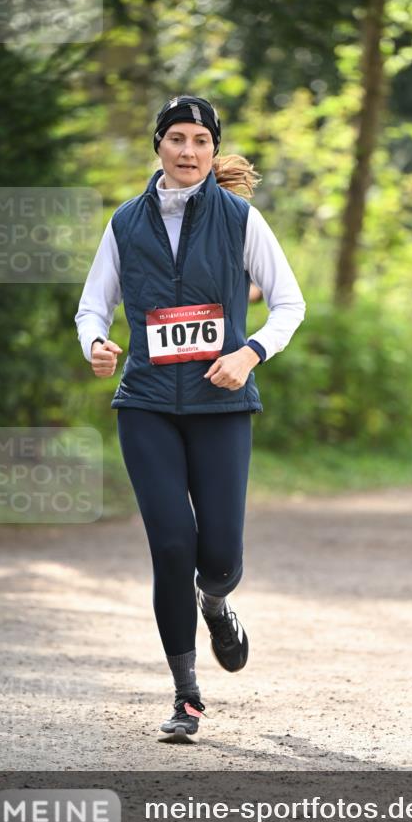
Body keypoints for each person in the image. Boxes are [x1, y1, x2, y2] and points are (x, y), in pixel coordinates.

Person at [75, 95, 306, 741]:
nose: (187, 151)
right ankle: (186, 694)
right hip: (145, 403)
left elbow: (288, 304)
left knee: (220, 555)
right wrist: (95, 343)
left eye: (200, 140)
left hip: (220, 405)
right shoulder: (125, 221)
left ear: (211, 149)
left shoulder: (239, 219)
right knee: (171, 544)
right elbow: (92, 307)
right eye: (176, 138)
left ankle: (217, 601)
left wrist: (250, 352)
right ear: (158, 146)